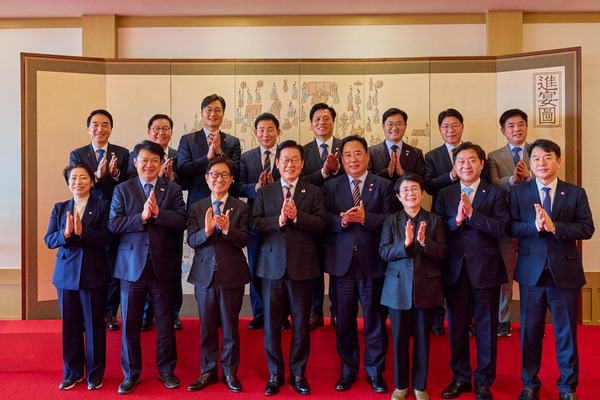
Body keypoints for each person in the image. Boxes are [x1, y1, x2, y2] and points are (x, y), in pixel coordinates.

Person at [509, 139, 594, 400]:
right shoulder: (519, 193)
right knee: (530, 333)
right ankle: (529, 385)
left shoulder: (575, 192)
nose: (541, 163)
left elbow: (587, 228)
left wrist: (555, 227)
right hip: (531, 274)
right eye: (536, 158)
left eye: (547, 157)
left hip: (564, 273)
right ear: (530, 163)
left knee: (566, 333)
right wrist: (535, 226)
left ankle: (567, 388)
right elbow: (511, 227)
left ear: (558, 161)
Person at [108, 140, 187, 394]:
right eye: (144, 160)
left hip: (162, 266)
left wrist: (158, 213)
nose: (149, 165)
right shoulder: (122, 189)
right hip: (132, 268)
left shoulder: (172, 189)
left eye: (155, 160)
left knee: (165, 322)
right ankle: (131, 374)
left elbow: (182, 221)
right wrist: (140, 217)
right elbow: (114, 224)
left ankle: (166, 370)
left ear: (162, 163)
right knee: (130, 324)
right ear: (135, 162)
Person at [322, 135, 397, 394]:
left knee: (375, 320)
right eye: (347, 155)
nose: (353, 159)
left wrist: (367, 219)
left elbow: (392, 220)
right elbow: (322, 219)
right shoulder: (330, 186)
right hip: (342, 265)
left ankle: (375, 372)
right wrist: (341, 222)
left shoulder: (384, 185)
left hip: (372, 263)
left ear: (367, 156)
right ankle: (348, 371)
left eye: (357, 154)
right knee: (344, 321)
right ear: (341, 159)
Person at [251, 140, 326, 396]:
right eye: (285, 160)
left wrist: (297, 217)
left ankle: (298, 374)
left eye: (295, 160)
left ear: (302, 164)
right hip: (271, 267)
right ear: (277, 163)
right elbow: (255, 224)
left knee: (301, 324)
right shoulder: (265, 192)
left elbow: (321, 223)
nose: (289, 164)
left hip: (302, 267)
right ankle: (275, 374)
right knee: (272, 324)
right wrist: (280, 220)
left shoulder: (313, 192)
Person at [434, 142, 508, 400]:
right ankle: (460, 378)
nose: (466, 165)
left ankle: (484, 381)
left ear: (481, 163)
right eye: (461, 161)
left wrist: (473, 215)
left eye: (471, 160)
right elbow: (436, 228)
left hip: (486, 269)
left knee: (487, 327)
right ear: (455, 166)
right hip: (454, 270)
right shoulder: (445, 194)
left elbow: (501, 228)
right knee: (457, 327)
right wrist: (456, 221)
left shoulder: (495, 193)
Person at [44, 162, 113, 391]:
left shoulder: (103, 206)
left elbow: (109, 238)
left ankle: (94, 374)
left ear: (92, 181)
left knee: (94, 327)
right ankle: (72, 372)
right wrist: (65, 234)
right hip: (65, 275)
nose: (78, 182)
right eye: (73, 178)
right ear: (68, 183)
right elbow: (49, 240)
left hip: (93, 274)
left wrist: (85, 233)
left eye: (83, 177)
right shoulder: (59, 208)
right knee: (70, 327)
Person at [187, 156, 251, 393]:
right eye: (214, 174)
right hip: (204, 275)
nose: (219, 179)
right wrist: (206, 231)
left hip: (231, 274)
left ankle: (230, 372)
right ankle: (208, 371)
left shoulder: (242, 207)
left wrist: (227, 230)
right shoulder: (196, 207)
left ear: (231, 179)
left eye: (224, 175)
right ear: (207, 178)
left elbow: (245, 239)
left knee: (231, 327)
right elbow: (191, 240)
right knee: (206, 327)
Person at [380, 173, 447, 400]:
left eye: (415, 189)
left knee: (422, 342)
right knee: (399, 341)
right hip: (397, 289)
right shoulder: (391, 220)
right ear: (399, 197)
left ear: (422, 193)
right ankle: (400, 386)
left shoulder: (434, 220)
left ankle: (419, 386)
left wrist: (424, 243)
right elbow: (383, 251)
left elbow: (442, 252)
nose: (410, 194)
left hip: (426, 288)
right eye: (405, 190)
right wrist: (405, 244)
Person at [424, 108, 489, 336]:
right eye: (446, 126)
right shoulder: (432, 156)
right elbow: (429, 186)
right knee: (442, 271)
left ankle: (467, 319)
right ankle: (438, 318)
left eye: (455, 125)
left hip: (474, 220)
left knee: (468, 273)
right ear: (439, 130)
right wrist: (452, 175)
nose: (450, 130)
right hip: (444, 219)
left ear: (462, 127)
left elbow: (485, 183)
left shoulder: (476, 153)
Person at [69, 109, 129, 332]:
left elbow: (129, 181)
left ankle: (110, 313)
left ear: (111, 129)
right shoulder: (78, 154)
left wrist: (115, 175)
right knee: (89, 263)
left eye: (105, 124)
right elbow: (73, 181)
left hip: (114, 214)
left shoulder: (122, 153)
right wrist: (96, 176)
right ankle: (88, 314)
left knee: (113, 264)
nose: (100, 129)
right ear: (88, 129)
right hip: (88, 215)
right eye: (95, 124)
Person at [127, 114, 185, 332]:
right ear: (149, 131)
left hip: (166, 233)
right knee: (141, 277)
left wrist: (170, 178)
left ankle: (172, 313)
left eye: (165, 128)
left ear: (172, 132)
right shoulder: (136, 156)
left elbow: (188, 181)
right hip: (138, 237)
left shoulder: (179, 156)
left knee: (170, 273)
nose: (161, 132)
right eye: (156, 128)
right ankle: (146, 314)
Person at [487, 109, 532, 338]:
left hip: (533, 222)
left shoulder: (538, 151)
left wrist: (529, 176)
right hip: (507, 224)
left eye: (520, 124)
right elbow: (494, 184)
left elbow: (548, 178)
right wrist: (513, 180)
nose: (516, 129)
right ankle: (503, 320)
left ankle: (532, 320)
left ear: (526, 127)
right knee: (505, 273)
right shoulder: (494, 156)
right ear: (503, 131)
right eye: (511, 126)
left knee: (533, 273)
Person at [236, 112, 282, 330]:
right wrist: (256, 188)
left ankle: (281, 315)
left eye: (270, 129)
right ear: (255, 133)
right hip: (254, 220)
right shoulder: (247, 157)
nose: (266, 134)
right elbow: (238, 187)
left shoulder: (286, 155)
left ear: (278, 132)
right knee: (255, 268)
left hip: (280, 221)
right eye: (261, 130)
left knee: (280, 269)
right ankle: (260, 313)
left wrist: (276, 188)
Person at [300, 103, 344, 330]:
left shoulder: (345, 147)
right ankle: (315, 312)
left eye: (326, 118)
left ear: (333, 122)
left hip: (340, 214)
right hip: (312, 216)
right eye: (317, 119)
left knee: (338, 266)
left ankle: (337, 312)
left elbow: (355, 175)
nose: (322, 123)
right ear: (311, 124)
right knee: (313, 266)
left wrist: (337, 170)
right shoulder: (303, 151)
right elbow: (300, 181)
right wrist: (323, 173)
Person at [178, 94, 241, 207]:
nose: (213, 114)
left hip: (227, 202)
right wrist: (207, 158)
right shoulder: (188, 140)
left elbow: (236, 172)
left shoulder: (233, 141)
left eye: (218, 110)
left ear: (223, 114)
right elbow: (183, 170)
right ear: (202, 113)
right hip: (197, 202)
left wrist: (220, 153)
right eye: (209, 110)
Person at [368, 108, 424, 180]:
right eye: (390, 124)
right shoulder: (371, 152)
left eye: (399, 124)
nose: (394, 128)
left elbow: (420, 181)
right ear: (383, 126)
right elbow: (368, 180)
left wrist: (402, 174)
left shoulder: (416, 153)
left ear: (405, 126)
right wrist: (387, 172)